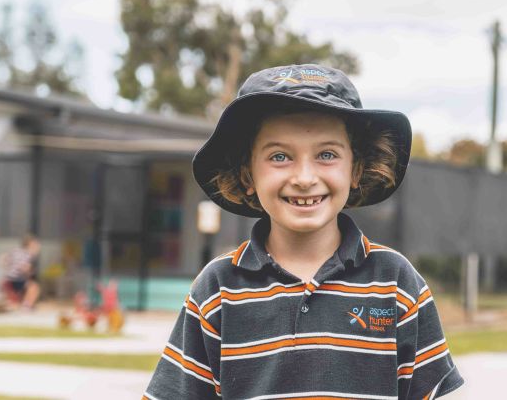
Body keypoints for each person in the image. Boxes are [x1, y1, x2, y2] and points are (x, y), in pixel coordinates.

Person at [144, 64, 464, 399]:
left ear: (355, 169)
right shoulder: (217, 288)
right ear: (247, 175)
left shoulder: (397, 283)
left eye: (327, 154)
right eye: (280, 156)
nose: (304, 177)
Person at [2, 233, 41, 310]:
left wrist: (9, 268)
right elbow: (25, 268)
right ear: (30, 245)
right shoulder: (28, 254)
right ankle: (27, 305)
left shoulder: (15, 251)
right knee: (34, 287)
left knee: (28, 285)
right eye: (36, 246)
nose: (37, 248)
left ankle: (22, 304)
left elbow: (3, 259)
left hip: (8, 279)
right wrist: (29, 272)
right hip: (18, 279)